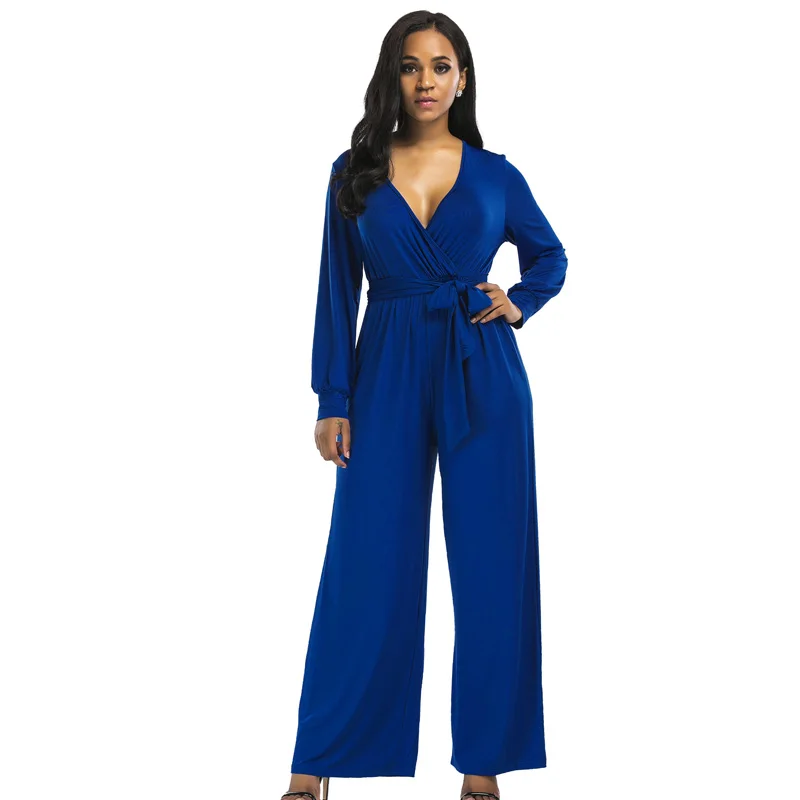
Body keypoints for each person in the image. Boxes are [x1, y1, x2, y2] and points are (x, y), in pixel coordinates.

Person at [281, 11, 568, 800]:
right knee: (364, 562)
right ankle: (316, 762)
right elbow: (336, 290)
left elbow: (550, 254)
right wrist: (332, 396)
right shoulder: (355, 170)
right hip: (386, 371)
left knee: (493, 566)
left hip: (484, 371)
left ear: (463, 79)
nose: (427, 81)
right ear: (393, 76)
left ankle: (483, 768)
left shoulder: (498, 175)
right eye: (411, 66)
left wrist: (520, 302)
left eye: (442, 66)